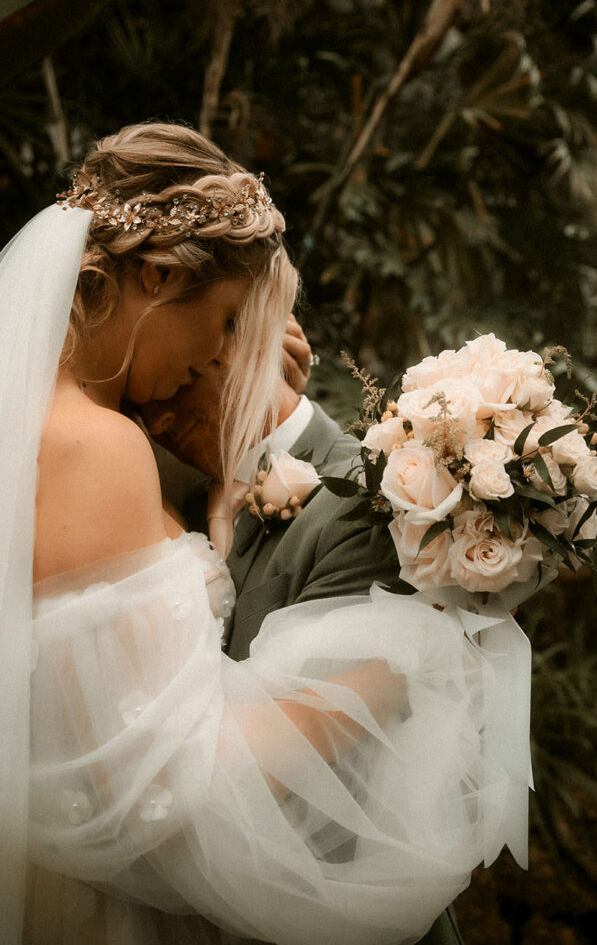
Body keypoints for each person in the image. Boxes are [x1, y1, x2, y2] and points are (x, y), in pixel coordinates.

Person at [0, 122, 528, 945]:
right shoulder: (97, 447)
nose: (227, 352)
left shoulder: (33, 423)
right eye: (224, 319)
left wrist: (213, 522)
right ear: (157, 274)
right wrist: (379, 680)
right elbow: (162, 798)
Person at [143, 345, 466, 945]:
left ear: (240, 343)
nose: (155, 418)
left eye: (174, 381)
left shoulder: (380, 497)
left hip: (335, 902)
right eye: (141, 403)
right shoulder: (175, 504)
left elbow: (331, 754)